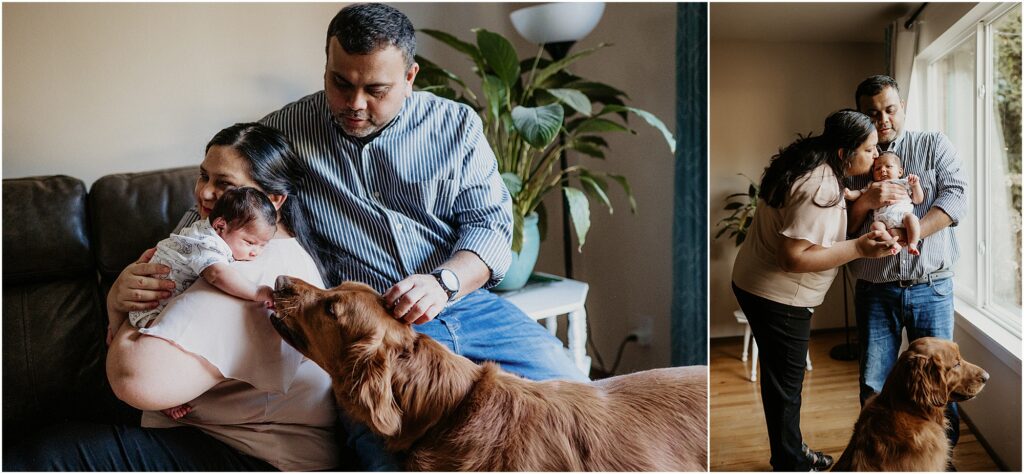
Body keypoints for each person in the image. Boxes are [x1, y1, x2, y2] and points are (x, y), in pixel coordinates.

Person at [257, 3, 587, 469]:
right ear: (326, 67)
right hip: (370, 338)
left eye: (376, 89)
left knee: (577, 407)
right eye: (340, 83)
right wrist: (160, 263)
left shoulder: (456, 126)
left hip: (469, 308)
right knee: (383, 457)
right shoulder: (283, 133)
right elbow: (219, 205)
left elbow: (491, 227)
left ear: (410, 77)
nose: (355, 103)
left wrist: (443, 282)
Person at [5, 123, 344, 471]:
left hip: (256, 454)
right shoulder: (217, 245)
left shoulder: (255, 274)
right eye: (203, 176)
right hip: (202, 429)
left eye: (225, 184)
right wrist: (118, 297)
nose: (205, 193)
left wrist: (123, 313)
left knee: (42, 460)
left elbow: (135, 378)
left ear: (273, 200)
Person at [731, 110, 899, 471]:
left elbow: (819, 218)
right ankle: (791, 463)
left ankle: (791, 451)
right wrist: (859, 248)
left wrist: (861, 200)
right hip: (777, 296)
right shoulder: (819, 185)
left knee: (780, 383)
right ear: (843, 152)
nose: (876, 155)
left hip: (756, 283)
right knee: (786, 388)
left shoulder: (811, 160)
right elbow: (792, 257)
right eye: (869, 149)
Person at [847, 75, 968, 451]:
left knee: (941, 384)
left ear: (902, 107)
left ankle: (941, 462)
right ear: (862, 116)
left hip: (932, 286)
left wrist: (908, 235)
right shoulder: (855, 160)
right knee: (874, 383)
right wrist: (866, 202)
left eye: (889, 109)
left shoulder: (933, 145)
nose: (882, 119)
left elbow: (956, 197)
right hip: (875, 290)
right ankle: (881, 459)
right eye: (872, 113)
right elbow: (841, 227)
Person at [121, 186, 278, 332]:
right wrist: (257, 292)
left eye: (262, 245)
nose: (255, 252)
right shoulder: (206, 242)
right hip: (150, 309)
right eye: (250, 243)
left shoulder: (210, 231)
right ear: (220, 226)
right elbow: (217, 275)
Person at [844, 151, 924, 255]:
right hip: (882, 220)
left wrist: (915, 186)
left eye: (888, 166)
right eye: (877, 169)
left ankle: (912, 243)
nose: (882, 170)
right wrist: (850, 194)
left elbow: (918, 200)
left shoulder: (904, 182)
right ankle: (893, 244)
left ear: (900, 172)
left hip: (903, 216)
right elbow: (860, 193)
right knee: (875, 227)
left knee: (912, 219)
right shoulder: (873, 185)